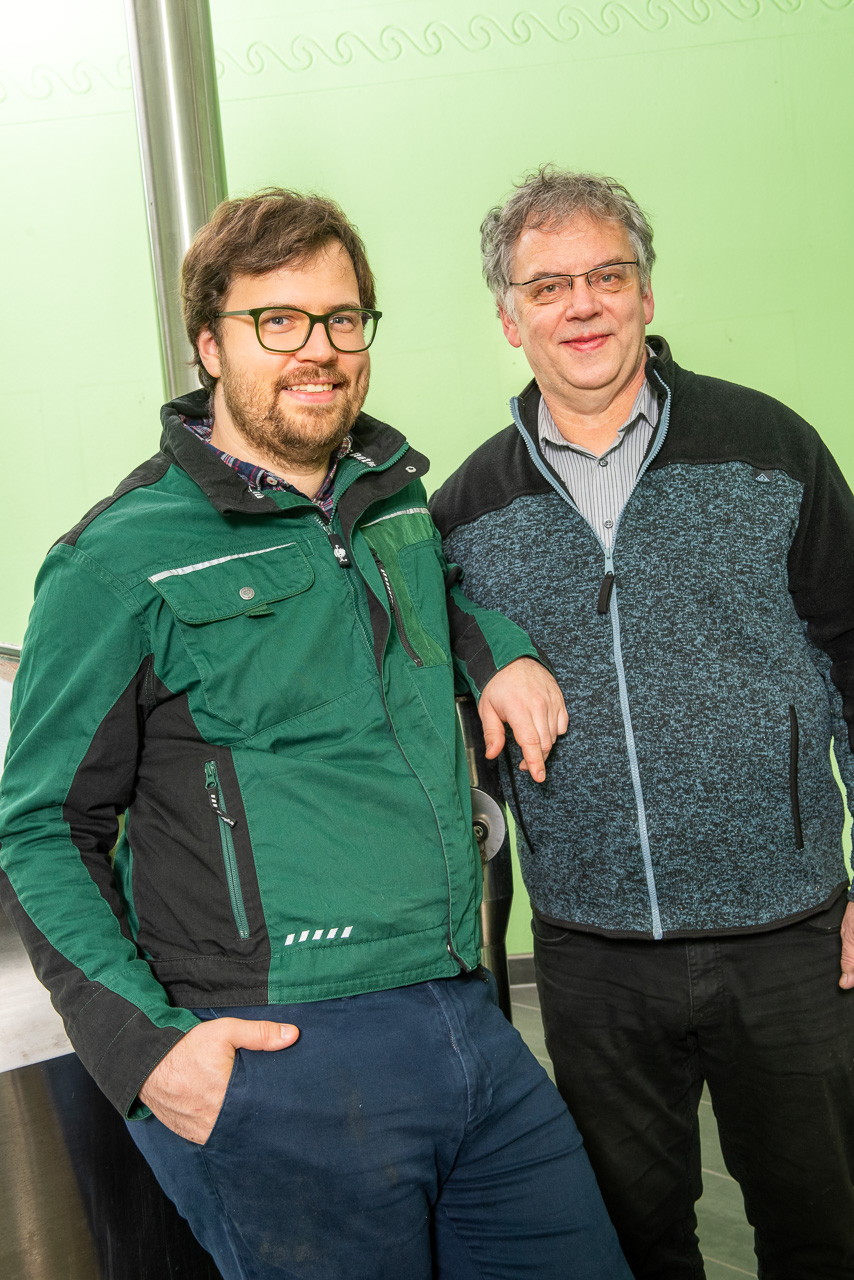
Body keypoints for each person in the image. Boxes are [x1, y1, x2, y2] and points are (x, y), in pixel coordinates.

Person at [0, 188, 631, 1280]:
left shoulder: (387, 504)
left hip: (463, 1018)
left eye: (343, 318)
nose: (319, 349)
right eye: (276, 320)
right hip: (278, 1053)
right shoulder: (117, 559)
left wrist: (499, 647)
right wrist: (146, 1052)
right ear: (209, 342)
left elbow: (439, 585)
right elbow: (42, 826)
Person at [429, 166, 854, 1280]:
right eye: (550, 284)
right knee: (630, 1240)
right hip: (588, 950)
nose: (583, 304)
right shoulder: (466, 508)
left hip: (790, 933)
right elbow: (431, 648)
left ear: (645, 295)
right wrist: (493, 643)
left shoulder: (768, 446)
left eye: (607, 275)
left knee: (823, 1227)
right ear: (508, 316)